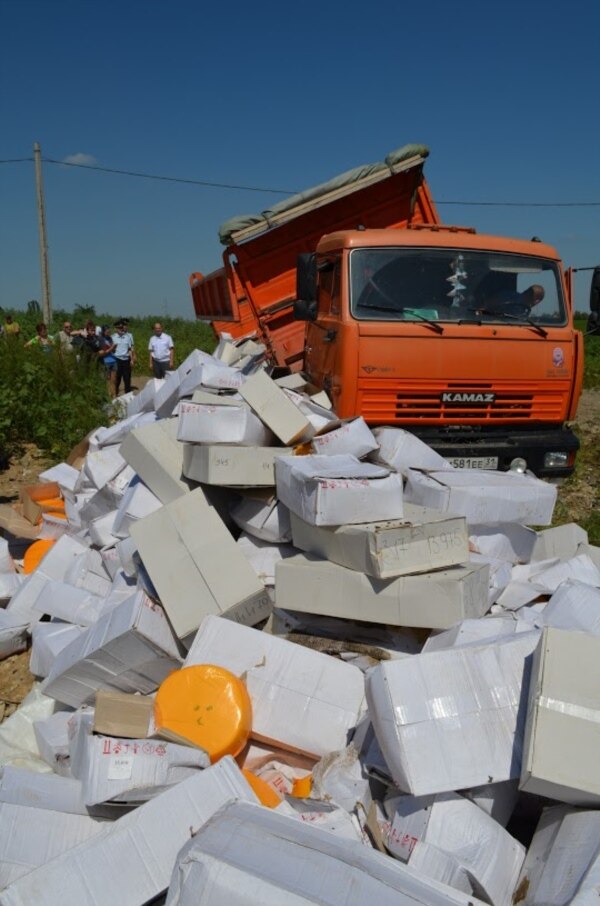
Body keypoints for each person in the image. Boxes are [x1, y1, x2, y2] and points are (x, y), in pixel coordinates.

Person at [112, 320, 136, 394]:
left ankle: (128, 394)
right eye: (119, 328)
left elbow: (129, 349)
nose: (121, 329)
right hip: (117, 360)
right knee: (117, 378)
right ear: (116, 329)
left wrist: (131, 359)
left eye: (122, 328)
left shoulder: (127, 337)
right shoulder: (112, 337)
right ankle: (115, 393)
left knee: (127, 378)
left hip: (126, 360)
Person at [97, 324, 117, 397]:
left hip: (113, 360)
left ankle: (114, 394)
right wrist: (112, 348)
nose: (108, 332)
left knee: (114, 380)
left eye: (109, 331)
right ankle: (109, 395)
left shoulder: (110, 338)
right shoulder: (100, 339)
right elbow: (103, 352)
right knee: (107, 380)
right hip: (105, 361)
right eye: (107, 331)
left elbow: (112, 351)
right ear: (103, 331)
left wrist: (114, 348)